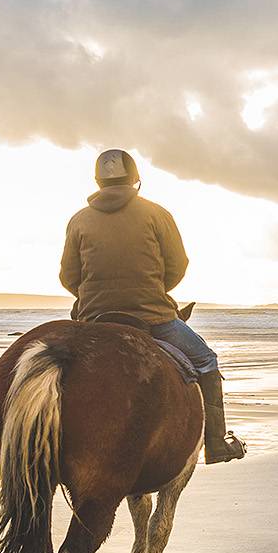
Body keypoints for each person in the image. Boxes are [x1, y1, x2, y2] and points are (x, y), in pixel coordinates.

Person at [59, 149, 246, 463]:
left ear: (97, 180)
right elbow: (177, 265)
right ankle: (215, 444)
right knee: (206, 362)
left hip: (94, 319)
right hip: (153, 316)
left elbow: (68, 276)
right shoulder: (157, 214)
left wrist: (94, 298)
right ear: (135, 179)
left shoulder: (78, 220)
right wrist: (152, 291)